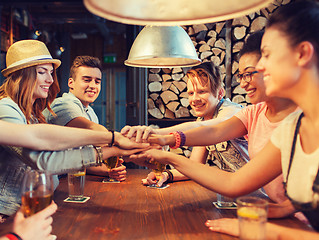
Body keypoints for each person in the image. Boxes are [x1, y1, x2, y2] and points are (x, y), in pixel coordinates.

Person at [0, 6, 147, 239]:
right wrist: (111, 142)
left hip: (18, 212)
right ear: (23, 75)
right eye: (43, 72)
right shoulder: (2, 109)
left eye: (51, 72)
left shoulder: (13, 115)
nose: (51, 80)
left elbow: (39, 137)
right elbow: (42, 159)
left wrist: (112, 140)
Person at [130, 1, 319, 238]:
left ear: (302, 53)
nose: (261, 65)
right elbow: (233, 181)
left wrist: (270, 231)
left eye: (267, 55)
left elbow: (210, 130)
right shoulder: (293, 128)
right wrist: (165, 150)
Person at [122, 62, 249, 186]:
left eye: (202, 92)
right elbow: (194, 167)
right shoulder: (203, 120)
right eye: (191, 93)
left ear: (220, 93)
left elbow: (209, 128)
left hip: (259, 193)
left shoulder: (232, 111)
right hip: (234, 192)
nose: (194, 99)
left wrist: (158, 134)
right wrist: (166, 175)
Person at [44, 55, 126, 181]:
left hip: (64, 180)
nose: (93, 86)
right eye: (87, 80)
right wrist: (126, 144)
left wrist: (109, 171)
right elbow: (91, 130)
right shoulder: (62, 105)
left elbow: (82, 159)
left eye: (97, 81)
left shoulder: (90, 112)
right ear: (71, 83)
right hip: (43, 183)